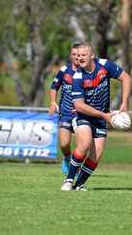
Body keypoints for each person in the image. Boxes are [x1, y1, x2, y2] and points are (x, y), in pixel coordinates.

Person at [61, 42, 131, 190]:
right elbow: (79, 105)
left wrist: (124, 103)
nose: (79, 58)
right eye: (77, 55)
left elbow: (126, 78)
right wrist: (104, 115)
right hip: (83, 116)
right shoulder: (78, 77)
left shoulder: (105, 65)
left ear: (92, 55)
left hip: (101, 118)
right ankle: (68, 180)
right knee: (85, 143)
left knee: (96, 155)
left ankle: (78, 185)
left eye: (83, 55)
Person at [49, 43, 80, 174]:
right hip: (65, 113)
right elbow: (54, 87)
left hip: (81, 114)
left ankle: (77, 165)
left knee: (83, 144)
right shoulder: (64, 71)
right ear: (70, 55)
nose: (76, 57)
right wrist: (52, 102)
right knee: (63, 144)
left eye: (79, 54)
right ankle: (67, 158)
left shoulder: (88, 72)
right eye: (74, 54)